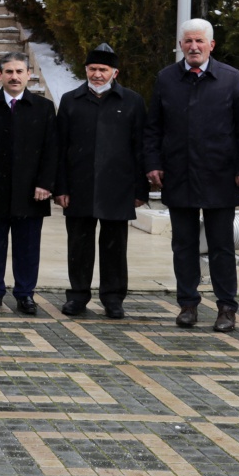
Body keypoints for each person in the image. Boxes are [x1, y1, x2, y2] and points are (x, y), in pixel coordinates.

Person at [145, 18, 239, 333]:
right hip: (179, 174)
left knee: (222, 246)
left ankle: (226, 308)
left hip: (220, 175)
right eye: (188, 41)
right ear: (181, 45)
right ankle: (188, 305)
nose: (194, 47)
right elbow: (154, 128)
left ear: (211, 45)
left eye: (199, 41)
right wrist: (152, 163)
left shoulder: (230, 78)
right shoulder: (166, 78)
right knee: (184, 245)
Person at [55, 43, 148, 319]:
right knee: (78, 246)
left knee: (115, 247)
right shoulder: (71, 100)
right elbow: (59, 148)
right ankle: (78, 296)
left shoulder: (132, 102)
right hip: (78, 186)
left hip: (118, 187)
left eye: (103, 70)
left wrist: (140, 189)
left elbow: (141, 148)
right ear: (85, 69)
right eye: (93, 69)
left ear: (115, 72)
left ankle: (113, 298)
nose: (97, 75)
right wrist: (61, 187)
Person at [0, 52, 57, 314]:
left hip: (31, 192)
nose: (14, 77)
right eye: (8, 71)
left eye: (19, 71)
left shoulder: (43, 108)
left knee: (27, 248)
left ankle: (25, 294)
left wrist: (45, 183)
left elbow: (51, 149)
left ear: (29, 74)